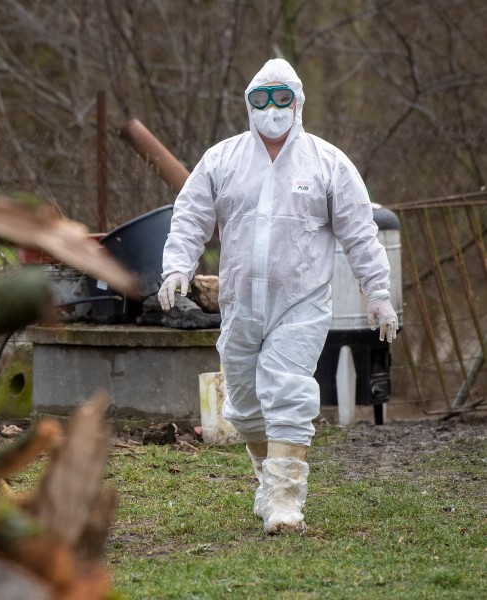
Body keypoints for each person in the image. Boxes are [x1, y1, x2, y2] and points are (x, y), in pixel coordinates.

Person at [158, 58, 398, 534]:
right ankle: (270, 483)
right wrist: (177, 267)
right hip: (240, 304)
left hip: (301, 303)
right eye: (261, 99)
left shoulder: (328, 163)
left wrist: (378, 292)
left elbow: (360, 233)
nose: (271, 108)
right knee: (245, 406)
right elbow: (190, 216)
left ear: (298, 102)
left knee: (286, 390)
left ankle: (286, 499)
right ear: (248, 104)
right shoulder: (222, 160)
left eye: (281, 97)